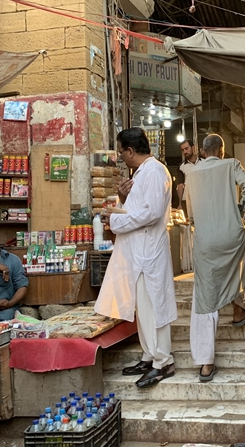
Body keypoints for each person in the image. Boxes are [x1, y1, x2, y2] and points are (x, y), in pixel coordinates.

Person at [95, 128, 178, 388]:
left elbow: (151, 212)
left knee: (154, 306)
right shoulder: (143, 173)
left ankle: (163, 361)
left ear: (130, 151)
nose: (122, 157)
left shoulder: (153, 171)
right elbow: (139, 208)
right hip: (140, 251)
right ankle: (149, 354)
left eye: (122, 152)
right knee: (143, 307)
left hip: (149, 251)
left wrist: (117, 219)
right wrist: (122, 202)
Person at [184, 134, 245, 382]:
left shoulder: (191, 173)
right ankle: (237, 311)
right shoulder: (231, 164)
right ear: (221, 151)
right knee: (237, 265)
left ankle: (206, 364)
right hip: (230, 234)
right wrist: (239, 210)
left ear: (203, 152)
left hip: (205, 240)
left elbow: (190, 213)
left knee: (205, 296)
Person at [176, 139, 202, 208]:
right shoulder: (181, 167)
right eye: (183, 150)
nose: (185, 152)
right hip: (187, 200)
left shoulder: (204, 162)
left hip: (202, 198)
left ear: (193, 148)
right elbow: (180, 185)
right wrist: (180, 203)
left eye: (186, 148)